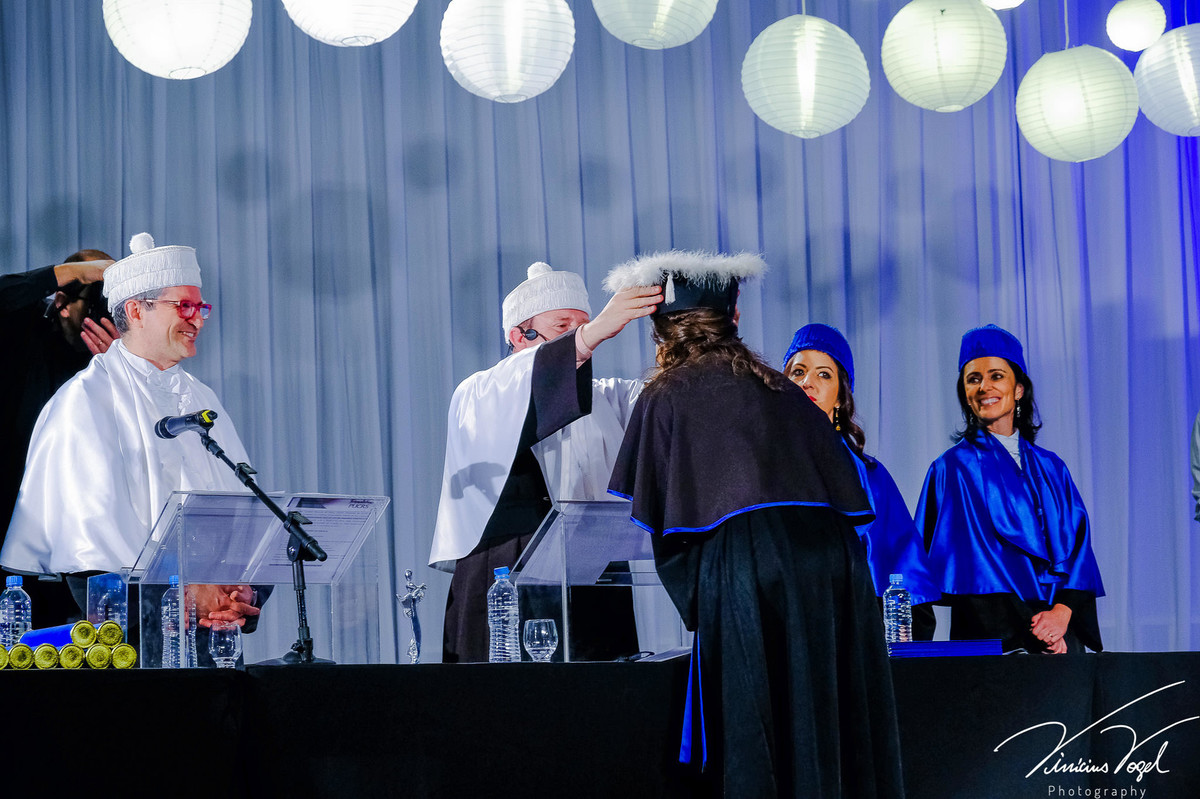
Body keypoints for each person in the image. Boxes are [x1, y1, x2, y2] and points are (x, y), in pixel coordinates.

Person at [606, 251, 903, 798]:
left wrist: (703, 599)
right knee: (825, 722)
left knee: (757, 729)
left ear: (661, 332)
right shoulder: (783, 389)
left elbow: (664, 532)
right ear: (734, 317)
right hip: (833, 564)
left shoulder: (666, 395)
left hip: (748, 565)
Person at [0, 232, 265, 641]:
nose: (198, 319)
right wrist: (184, 600)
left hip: (212, 645)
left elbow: (244, 517)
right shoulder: (84, 401)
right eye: (185, 306)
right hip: (126, 656)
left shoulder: (201, 397)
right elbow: (88, 557)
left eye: (201, 307)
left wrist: (242, 594)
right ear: (137, 311)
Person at [429, 261, 662, 663]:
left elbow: (663, 401)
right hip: (508, 566)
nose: (580, 335)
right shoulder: (480, 391)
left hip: (591, 569)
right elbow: (526, 381)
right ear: (518, 335)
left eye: (584, 323)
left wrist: (701, 336)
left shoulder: (607, 395)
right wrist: (590, 334)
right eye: (562, 326)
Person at [915, 324, 1104, 654]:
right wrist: (1037, 631)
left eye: (996, 376)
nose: (984, 386)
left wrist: (1060, 616)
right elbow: (971, 570)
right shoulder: (952, 469)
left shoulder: (1052, 467)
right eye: (973, 379)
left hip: (1060, 637)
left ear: (1018, 389)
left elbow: (1078, 552)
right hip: (993, 643)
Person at [783, 323, 940, 639]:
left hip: (854, 639)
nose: (807, 382)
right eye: (797, 372)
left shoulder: (872, 478)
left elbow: (903, 576)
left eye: (823, 374)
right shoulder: (759, 469)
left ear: (840, 397)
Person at [0, 248, 120, 627]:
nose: (103, 317)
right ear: (63, 302)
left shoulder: (113, 356)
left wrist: (124, 368)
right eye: (94, 302)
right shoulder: (24, 326)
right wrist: (63, 274)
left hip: (72, 536)